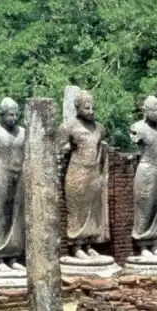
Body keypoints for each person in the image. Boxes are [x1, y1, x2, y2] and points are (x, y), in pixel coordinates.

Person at [58, 90, 109, 259]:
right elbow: (59, 148)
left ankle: (89, 243)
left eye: (93, 107)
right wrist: (66, 148)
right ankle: (76, 245)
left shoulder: (99, 128)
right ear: (78, 108)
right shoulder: (69, 127)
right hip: (77, 172)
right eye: (87, 108)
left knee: (93, 210)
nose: (91, 111)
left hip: (93, 173)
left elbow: (102, 149)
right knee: (77, 210)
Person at [0, 97, 26, 272]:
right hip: (1, 174)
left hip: (19, 175)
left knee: (16, 216)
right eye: (10, 115)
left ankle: (13, 256)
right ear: (1, 114)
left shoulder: (23, 133)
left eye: (16, 115)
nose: (14, 118)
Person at [129, 96, 157, 257]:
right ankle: (142, 245)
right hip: (146, 170)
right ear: (146, 111)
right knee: (145, 207)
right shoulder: (138, 128)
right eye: (154, 110)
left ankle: (155, 243)